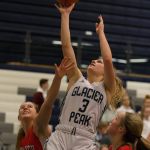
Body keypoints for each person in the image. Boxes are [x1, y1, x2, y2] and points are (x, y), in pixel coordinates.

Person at [46, 3, 124, 150]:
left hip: (84, 140)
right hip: (62, 134)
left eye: (98, 61)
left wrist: (101, 33)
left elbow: (107, 59)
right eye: (94, 60)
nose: (94, 60)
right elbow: (66, 47)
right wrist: (65, 15)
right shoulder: (76, 78)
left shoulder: (107, 87)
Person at [16, 57, 75, 150]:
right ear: (19, 117)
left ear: (37, 114)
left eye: (30, 106)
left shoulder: (38, 127)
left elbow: (48, 102)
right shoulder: (21, 140)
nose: (25, 108)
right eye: (22, 107)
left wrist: (58, 77)